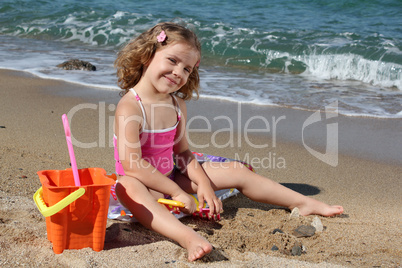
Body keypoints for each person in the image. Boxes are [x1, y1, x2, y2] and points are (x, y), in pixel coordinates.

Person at [113, 22, 343, 262]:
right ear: (147, 55)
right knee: (127, 186)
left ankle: (302, 202)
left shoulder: (177, 105)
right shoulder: (131, 106)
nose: (179, 72)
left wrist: (201, 183)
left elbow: (181, 153)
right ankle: (187, 237)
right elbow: (133, 165)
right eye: (172, 61)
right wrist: (177, 192)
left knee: (236, 170)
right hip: (140, 184)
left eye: (187, 69)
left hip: (170, 175)